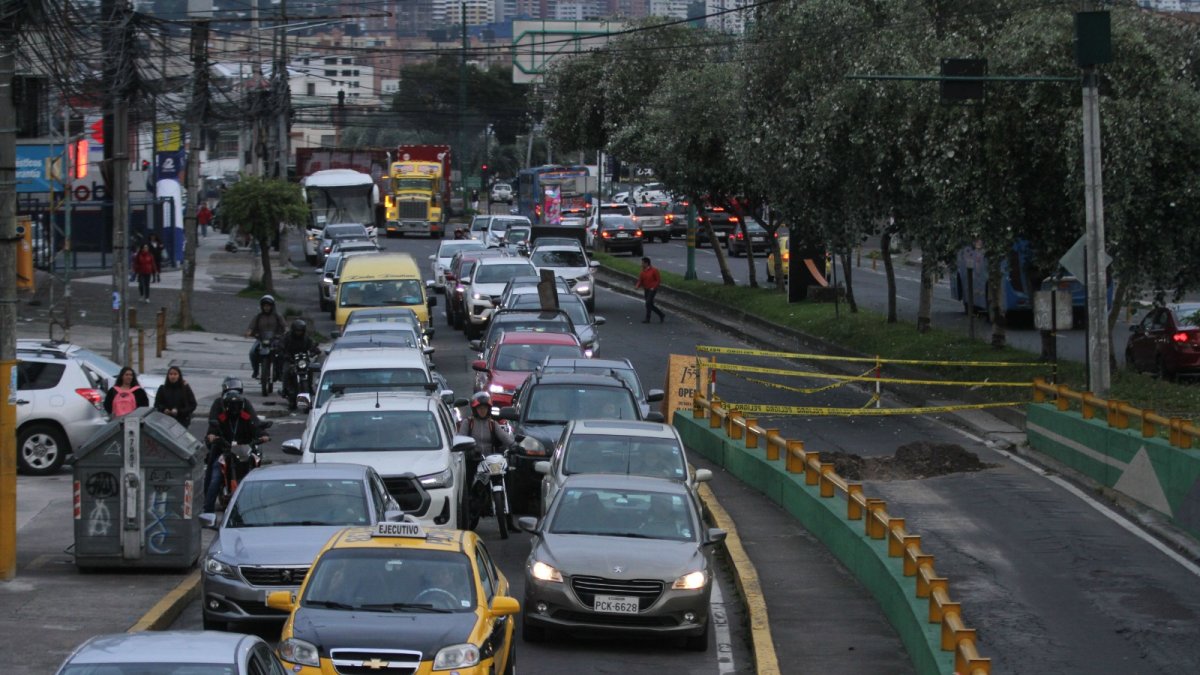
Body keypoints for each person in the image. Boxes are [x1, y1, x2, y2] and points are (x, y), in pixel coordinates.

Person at [203, 389, 270, 513]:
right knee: (216, 475)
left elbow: (256, 427)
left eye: (237, 404)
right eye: (231, 405)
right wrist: (212, 436)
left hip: (244, 451)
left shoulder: (246, 418)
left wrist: (263, 435)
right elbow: (213, 429)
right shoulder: (222, 419)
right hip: (227, 452)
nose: (234, 408)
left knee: (257, 470)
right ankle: (208, 509)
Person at [279, 320, 321, 409]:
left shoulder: (306, 338)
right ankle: (285, 390)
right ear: (293, 330)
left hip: (303, 361)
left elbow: (312, 345)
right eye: (297, 331)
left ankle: (309, 388)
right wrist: (284, 353)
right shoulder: (287, 337)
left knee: (310, 370)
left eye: (301, 331)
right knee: (286, 371)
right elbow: (281, 346)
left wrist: (315, 350)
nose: (299, 333)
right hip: (290, 359)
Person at [245, 295, 286, 380]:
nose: (266, 308)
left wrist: (285, 333)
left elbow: (285, 326)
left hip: (275, 340)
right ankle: (256, 371)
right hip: (261, 339)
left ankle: (279, 372)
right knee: (252, 352)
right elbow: (251, 327)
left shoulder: (277, 316)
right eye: (265, 306)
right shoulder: (258, 316)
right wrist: (249, 333)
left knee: (281, 354)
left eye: (268, 306)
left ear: (272, 306)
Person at [634, 256, 665, 323]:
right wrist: (637, 286)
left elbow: (658, 280)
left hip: (652, 290)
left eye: (642, 263)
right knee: (649, 304)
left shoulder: (654, 270)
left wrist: (653, 287)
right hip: (646, 289)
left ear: (646, 263)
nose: (641, 264)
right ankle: (660, 315)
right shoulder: (642, 272)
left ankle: (649, 318)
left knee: (648, 303)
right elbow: (640, 280)